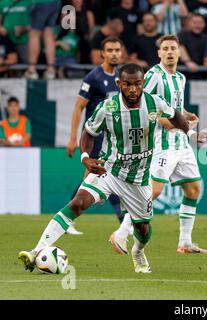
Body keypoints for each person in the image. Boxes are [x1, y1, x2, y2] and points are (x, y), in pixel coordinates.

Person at [18, 63, 189, 274]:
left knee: (143, 229)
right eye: (127, 84)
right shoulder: (107, 107)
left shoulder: (155, 103)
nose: (133, 89)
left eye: (137, 84)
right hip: (108, 170)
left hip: (138, 178)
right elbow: (88, 132)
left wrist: (187, 131)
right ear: (119, 84)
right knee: (77, 204)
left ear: (143, 83)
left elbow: (177, 116)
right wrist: (85, 157)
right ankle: (34, 252)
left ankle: (138, 251)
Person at [110, 35, 207, 255]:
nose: (169, 52)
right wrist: (169, 123)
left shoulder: (180, 78)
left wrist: (186, 115)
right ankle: (121, 232)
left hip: (181, 142)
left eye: (173, 48)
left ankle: (185, 242)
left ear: (179, 52)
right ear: (159, 53)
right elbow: (143, 105)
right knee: (154, 191)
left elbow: (174, 107)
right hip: (160, 143)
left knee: (193, 188)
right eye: (165, 48)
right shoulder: (154, 75)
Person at [65, 37, 124, 235]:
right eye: (110, 50)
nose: (114, 53)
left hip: (113, 137)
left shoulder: (121, 77)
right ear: (102, 53)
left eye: (117, 50)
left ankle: (67, 218)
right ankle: (123, 221)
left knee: (95, 177)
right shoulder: (93, 77)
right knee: (100, 175)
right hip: (95, 136)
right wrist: (73, 138)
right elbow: (78, 107)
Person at [24, 0, 61, 80]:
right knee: (48, 34)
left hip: (40, 2)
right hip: (56, 3)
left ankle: (32, 69)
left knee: (34, 33)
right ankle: (51, 70)